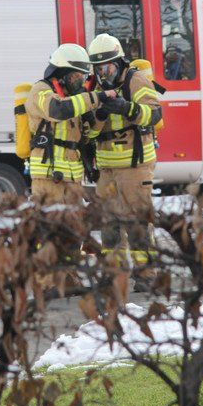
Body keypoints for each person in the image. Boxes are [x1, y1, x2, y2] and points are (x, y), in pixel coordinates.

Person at [86, 33, 162, 272]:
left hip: (134, 166)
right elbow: (89, 132)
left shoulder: (135, 80)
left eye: (107, 67)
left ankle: (145, 274)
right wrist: (99, 116)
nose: (103, 74)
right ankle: (113, 273)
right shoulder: (95, 89)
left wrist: (127, 108)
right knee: (109, 225)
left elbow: (155, 114)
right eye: (98, 68)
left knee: (136, 222)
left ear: (118, 62)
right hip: (107, 169)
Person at [24, 43, 102, 204]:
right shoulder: (40, 90)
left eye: (84, 77)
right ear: (63, 73)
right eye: (78, 76)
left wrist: (101, 115)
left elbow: (85, 138)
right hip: (48, 177)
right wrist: (95, 98)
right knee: (51, 219)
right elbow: (57, 110)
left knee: (74, 221)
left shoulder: (73, 100)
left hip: (73, 179)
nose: (81, 81)